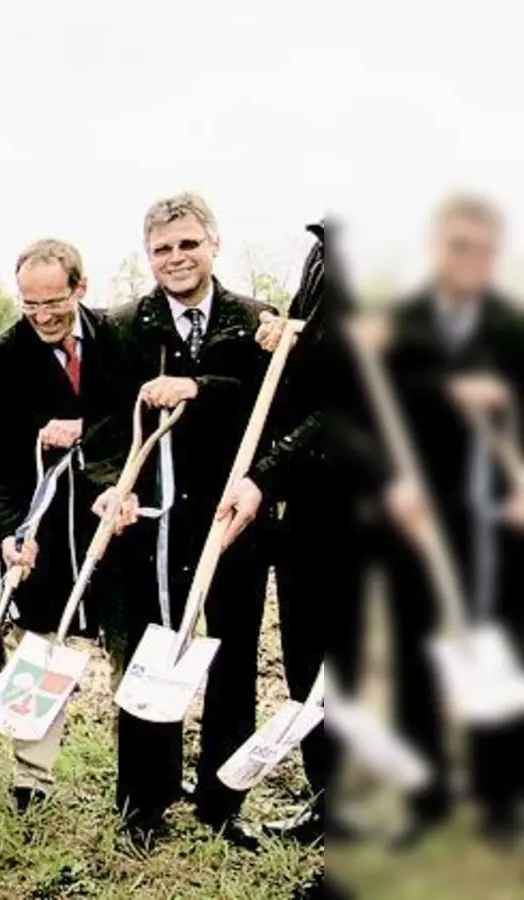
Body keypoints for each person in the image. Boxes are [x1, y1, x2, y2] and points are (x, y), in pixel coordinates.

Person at [107, 192, 276, 848]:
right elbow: (103, 421)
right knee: (154, 658)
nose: (175, 259)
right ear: (148, 256)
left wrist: (199, 390)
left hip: (233, 518)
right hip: (154, 524)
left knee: (233, 659)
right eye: (161, 249)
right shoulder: (125, 325)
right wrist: (108, 489)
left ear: (213, 245)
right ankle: (143, 804)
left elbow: (271, 415)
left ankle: (223, 800)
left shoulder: (257, 323)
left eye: (187, 244)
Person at [0, 239, 136, 812]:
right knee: (40, 647)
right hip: (41, 529)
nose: (42, 316)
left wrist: (89, 436)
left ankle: (140, 778)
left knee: (127, 647)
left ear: (80, 289)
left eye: (54, 302)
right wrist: (11, 529)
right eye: (30, 304)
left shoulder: (121, 337)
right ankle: (32, 776)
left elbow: (136, 416)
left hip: (116, 519)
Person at [218, 219, 379, 848]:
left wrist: (264, 473)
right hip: (313, 496)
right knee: (307, 656)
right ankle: (329, 804)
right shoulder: (325, 248)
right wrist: (295, 334)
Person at [375, 194, 524, 846]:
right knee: (415, 656)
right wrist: (391, 483)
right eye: (458, 246)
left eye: (483, 249)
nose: (471, 260)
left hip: (494, 520)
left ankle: (497, 799)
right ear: (437, 249)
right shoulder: (399, 328)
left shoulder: (511, 328)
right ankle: (423, 798)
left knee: (494, 651)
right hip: (418, 518)